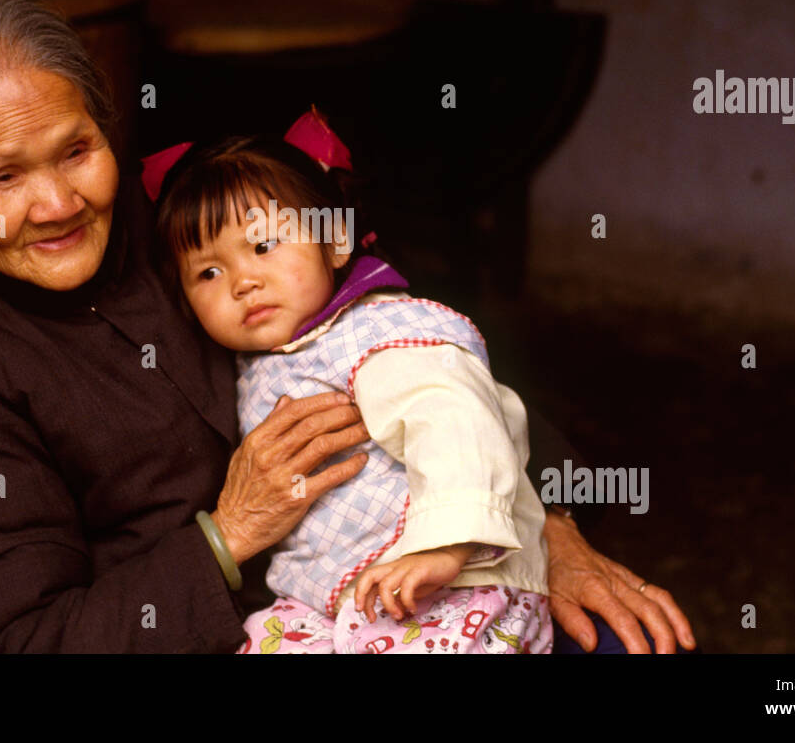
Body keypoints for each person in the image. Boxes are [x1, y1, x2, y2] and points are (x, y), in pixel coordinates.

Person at [0, 0, 697, 653]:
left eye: (76, 151)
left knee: (635, 643)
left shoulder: (192, 220)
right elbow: (21, 641)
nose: (58, 204)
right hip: (231, 633)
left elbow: (412, 347)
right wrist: (225, 535)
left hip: (415, 574)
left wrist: (544, 529)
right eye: (4, 177)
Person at [146, 117, 550, 654]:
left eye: (264, 245)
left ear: (336, 241)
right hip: (329, 602)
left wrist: (446, 545)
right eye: (208, 273)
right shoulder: (251, 365)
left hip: (453, 583)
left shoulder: (377, 333)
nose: (243, 281)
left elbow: (456, 420)